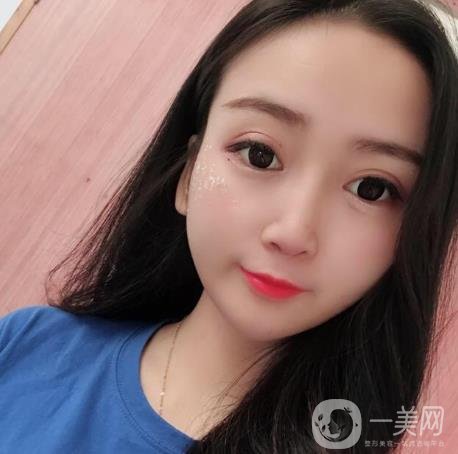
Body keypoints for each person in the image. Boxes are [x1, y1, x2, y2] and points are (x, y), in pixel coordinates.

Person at [1, 0, 457, 452]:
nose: (293, 232)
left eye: (372, 189)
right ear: (188, 173)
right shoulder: (28, 346)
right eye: (260, 154)